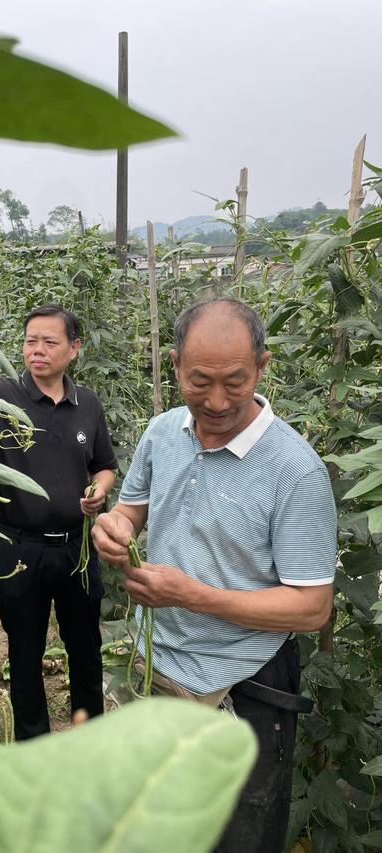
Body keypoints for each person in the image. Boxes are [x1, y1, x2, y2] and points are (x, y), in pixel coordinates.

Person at [91, 296, 336, 853]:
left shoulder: (295, 471)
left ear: (263, 367)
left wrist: (194, 596)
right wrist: (117, 527)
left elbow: (311, 606)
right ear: (175, 365)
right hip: (155, 672)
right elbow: (131, 509)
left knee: (236, 837)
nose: (217, 401)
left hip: (243, 690)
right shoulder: (161, 433)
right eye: (199, 381)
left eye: (236, 381)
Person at [0, 304, 116, 740]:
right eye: (30, 341)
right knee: (25, 649)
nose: (37, 350)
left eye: (49, 342)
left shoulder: (87, 404)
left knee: (85, 647)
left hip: (77, 547)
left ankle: (87, 735)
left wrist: (101, 490)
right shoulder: (0, 398)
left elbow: (104, 465)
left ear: (74, 349)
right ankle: (33, 744)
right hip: (19, 549)